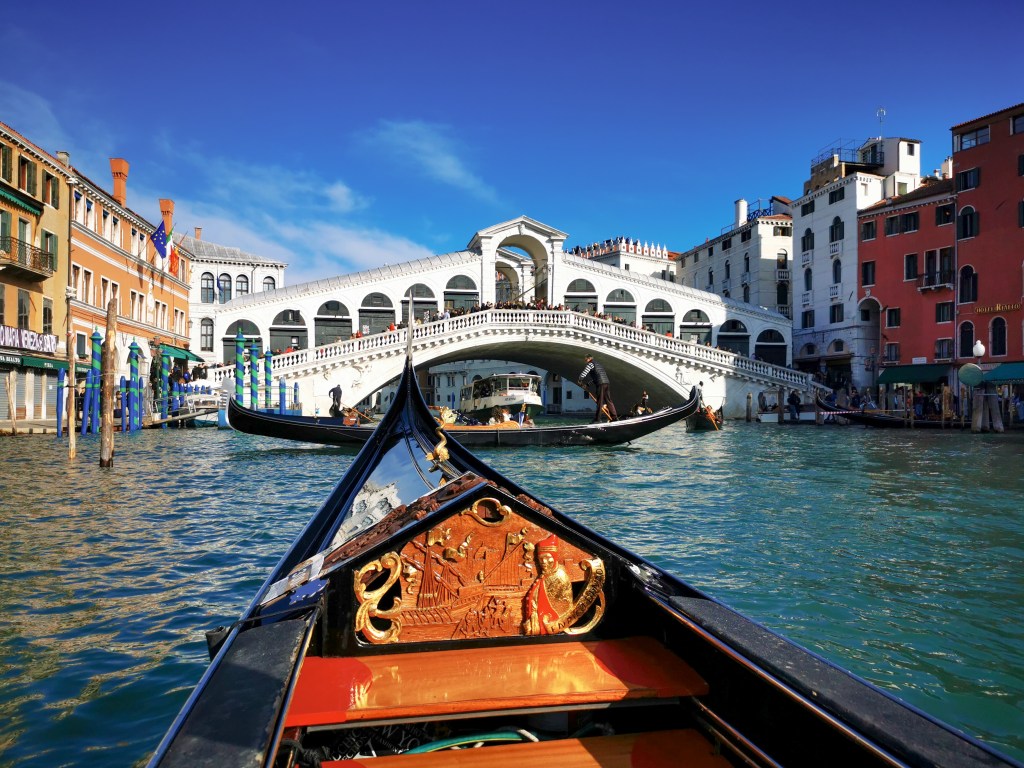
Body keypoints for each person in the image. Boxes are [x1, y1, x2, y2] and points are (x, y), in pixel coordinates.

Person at [522, 534, 573, 635]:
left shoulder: (560, 577)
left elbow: (563, 608)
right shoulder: (544, 575)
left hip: (548, 623)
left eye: (547, 558)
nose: (543, 562)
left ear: (554, 557)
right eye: (540, 559)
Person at [577, 354, 618, 422]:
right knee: (609, 401)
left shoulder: (590, 364)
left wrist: (580, 380)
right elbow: (596, 377)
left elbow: (584, 373)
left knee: (600, 401)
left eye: (586, 359)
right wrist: (587, 384)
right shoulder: (599, 364)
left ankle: (597, 419)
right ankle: (614, 417)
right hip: (606, 383)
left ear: (589, 358)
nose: (585, 361)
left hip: (601, 384)